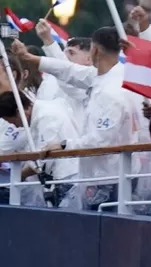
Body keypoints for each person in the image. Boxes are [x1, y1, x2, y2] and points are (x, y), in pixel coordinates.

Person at [25, 27, 139, 212]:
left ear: (94, 50)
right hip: (107, 174)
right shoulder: (109, 75)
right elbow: (70, 71)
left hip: (109, 178)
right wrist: (35, 60)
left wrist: (63, 145)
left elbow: (100, 141)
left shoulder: (111, 91)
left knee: (105, 236)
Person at [0, 90, 80, 208]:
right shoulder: (49, 108)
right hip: (62, 178)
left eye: (12, 121)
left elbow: (45, 157)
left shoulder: (46, 117)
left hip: (65, 179)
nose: (15, 126)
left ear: (19, 112)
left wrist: (19, 176)